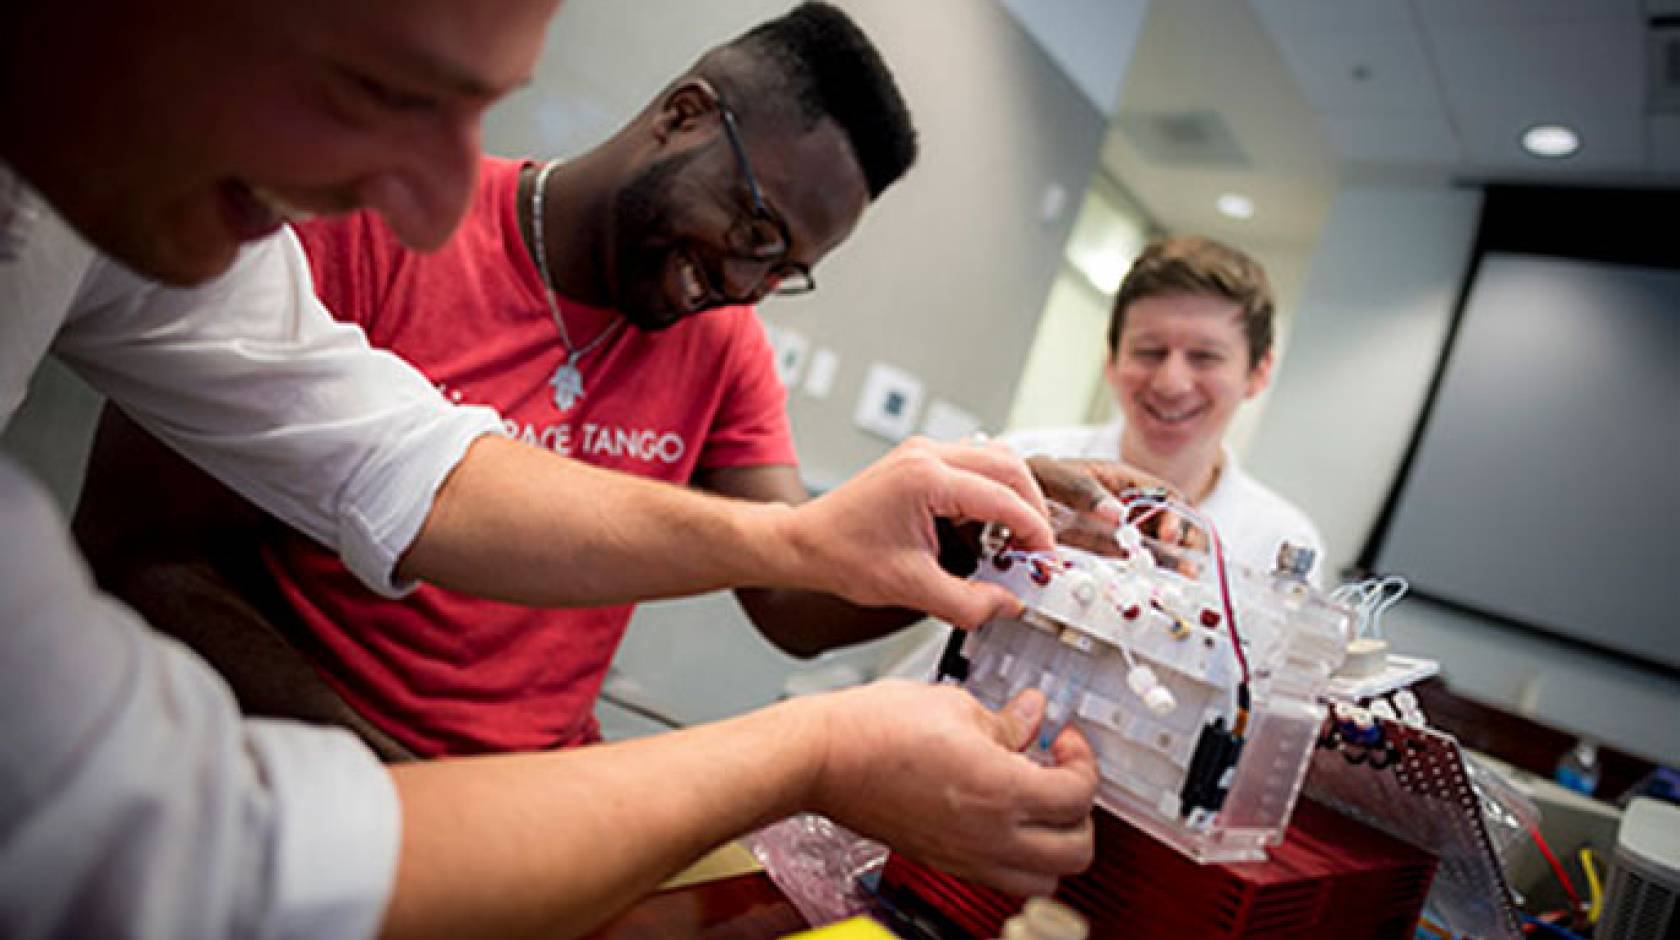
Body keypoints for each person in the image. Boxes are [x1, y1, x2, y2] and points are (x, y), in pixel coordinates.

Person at [0, 1, 1098, 936]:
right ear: (682, 115)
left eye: (785, 267)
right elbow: (191, 807)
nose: (424, 195)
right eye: (381, 87)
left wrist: (940, 544)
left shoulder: (131, 234)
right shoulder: (337, 234)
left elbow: (413, 460)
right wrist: (791, 754)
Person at [74, 5, 957, 761]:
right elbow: (144, 556)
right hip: (313, 763)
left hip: (525, 795)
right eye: (755, 230)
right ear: (685, 116)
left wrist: (975, 548)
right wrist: (406, 792)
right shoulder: (366, 238)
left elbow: (790, 582)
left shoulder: (725, 343)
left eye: (783, 271)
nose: (741, 286)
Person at [891, 234, 1325, 682]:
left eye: (1205, 357)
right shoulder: (1023, 464)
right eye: (1150, 351)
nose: (1172, 382)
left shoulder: (1281, 542)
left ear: (1258, 372)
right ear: (1112, 360)